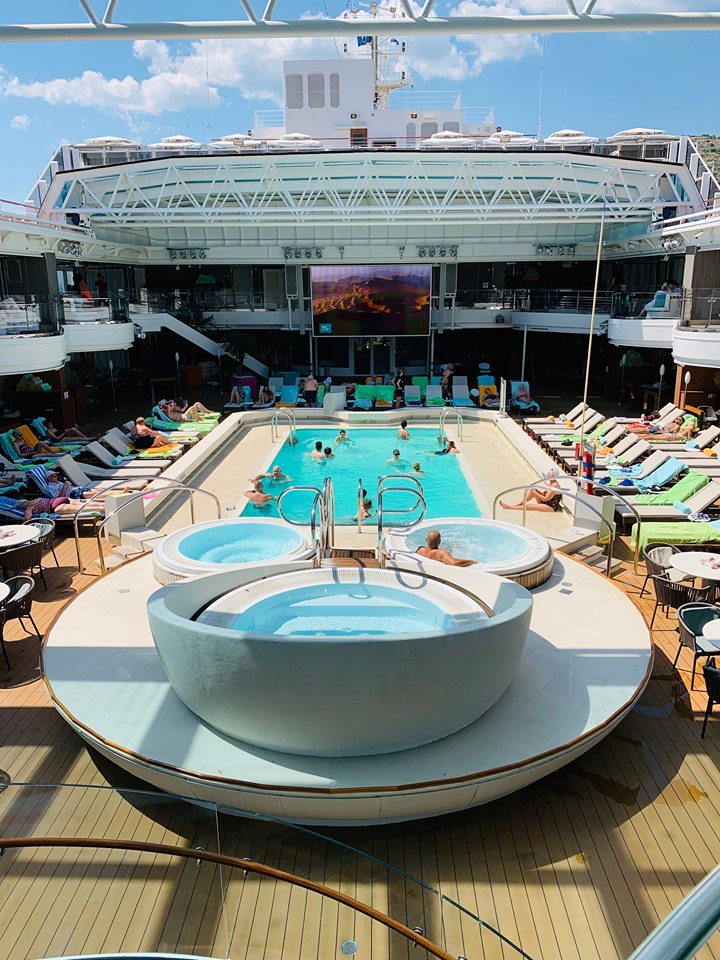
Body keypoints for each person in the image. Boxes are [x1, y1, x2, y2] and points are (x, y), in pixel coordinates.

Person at [45, 470, 127, 501]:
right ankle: (118, 495)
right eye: (53, 476)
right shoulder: (51, 487)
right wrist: (65, 486)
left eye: (56, 475)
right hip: (72, 494)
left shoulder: (58, 482)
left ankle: (119, 492)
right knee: (94, 494)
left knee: (99, 490)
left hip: (77, 489)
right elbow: (58, 499)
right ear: (48, 478)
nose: (55, 477)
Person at [18, 496, 89, 520]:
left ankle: (100, 508)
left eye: (21, 506)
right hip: (59, 499)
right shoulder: (36, 499)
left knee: (83, 508)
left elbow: (27, 518)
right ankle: (100, 506)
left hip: (55, 506)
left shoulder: (29, 507)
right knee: (85, 505)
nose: (22, 507)